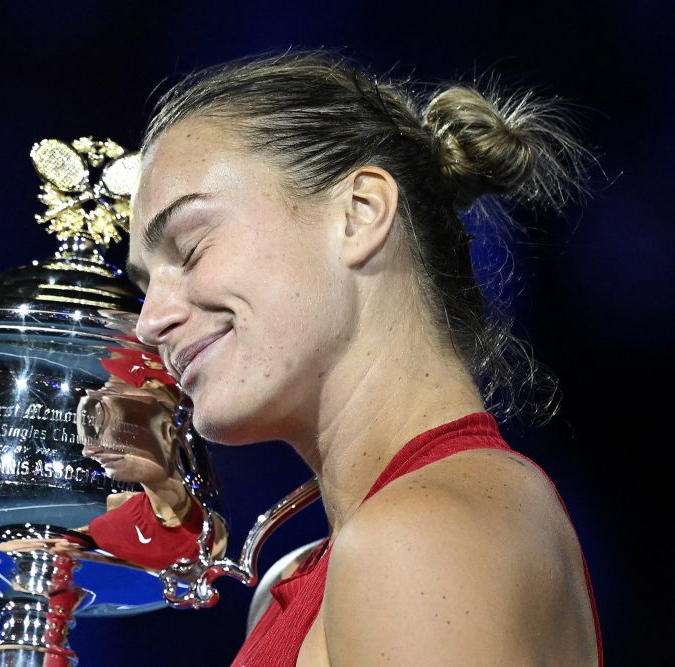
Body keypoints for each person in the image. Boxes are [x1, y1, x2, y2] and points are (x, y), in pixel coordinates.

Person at [124, 51, 601, 666]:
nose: (149, 321)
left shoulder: (423, 535)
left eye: (189, 249)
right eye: (144, 285)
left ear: (360, 215)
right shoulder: (302, 579)